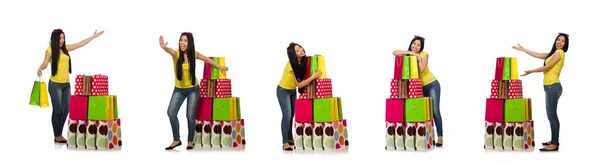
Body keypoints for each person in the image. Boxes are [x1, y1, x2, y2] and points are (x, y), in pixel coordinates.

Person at [158, 32, 228, 150]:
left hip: (193, 89)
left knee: (190, 116)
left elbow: (206, 59)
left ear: (189, 43)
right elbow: (170, 51)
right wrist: (164, 47)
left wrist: (220, 67)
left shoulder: (193, 54)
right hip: (179, 89)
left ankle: (190, 141)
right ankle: (176, 139)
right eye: (181, 40)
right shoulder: (177, 54)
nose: (182, 43)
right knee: (171, 113)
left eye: (185, 40)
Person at [36, 28, 105, 143]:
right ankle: (57, 135)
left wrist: (92, 37)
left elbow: (79, 44)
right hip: (55, 84)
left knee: (66, 109)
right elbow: (45, 63)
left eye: (63, 38)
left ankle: (58, 134)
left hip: (66, 85)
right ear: (55, 38)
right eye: (60, 38)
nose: (62, 40)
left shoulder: (66, 48)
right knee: (57, 110)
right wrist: (40, 68)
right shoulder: (50, 50)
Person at [512, 32, 569, 152]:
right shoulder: (553, 53)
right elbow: (537, 55)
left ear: (565, 44)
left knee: (552, 116)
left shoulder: (560, 53)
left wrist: (532, 71)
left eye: (563, 41)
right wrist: (523, 49)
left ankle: (554, 143)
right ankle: (554, 140)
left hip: (553, 87)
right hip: (550, 87)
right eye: (558, 39)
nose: (559, 42)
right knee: (551, 115)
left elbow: (548, 67)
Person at [392, 35, 444, 147]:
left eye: (418, 45)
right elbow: (394, 52)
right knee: (425, 112)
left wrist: (418, 57)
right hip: (417, 87)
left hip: (431, 84)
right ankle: (429, 136)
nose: (415, 46)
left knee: (434, 110)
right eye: (414, 43)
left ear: (421, 47)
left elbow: (421, 70)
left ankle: (440, 137)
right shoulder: (408, 53)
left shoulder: (424, 54)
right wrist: (411, 53)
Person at [277, 42, 321, 151]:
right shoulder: (291, 65)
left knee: (292, 114)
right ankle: (285, 142)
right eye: (297, 50)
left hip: (292, 91)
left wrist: (316, 58)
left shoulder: (301, 60)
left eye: (300, 47)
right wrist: (313, 77)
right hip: (283, 91)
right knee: (287, 115)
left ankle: (290, 138)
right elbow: (300, 84)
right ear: (293, 55)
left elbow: (309, 62)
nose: (301, 50)